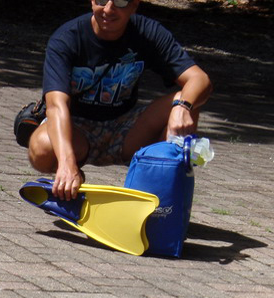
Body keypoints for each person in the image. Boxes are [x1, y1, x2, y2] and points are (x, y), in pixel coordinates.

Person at [28, 0, 212, 201]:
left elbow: (200, 79)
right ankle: (70, 180)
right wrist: (66, 163)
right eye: (101, 1)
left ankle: (159, 193)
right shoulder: (67, 38)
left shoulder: (147, 32)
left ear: (134, 5)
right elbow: (56, 106)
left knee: (185, 100)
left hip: (127, 128)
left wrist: (182, 107)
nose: (108, 9)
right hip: (77, 129)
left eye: (120, 2)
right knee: (42, 147)